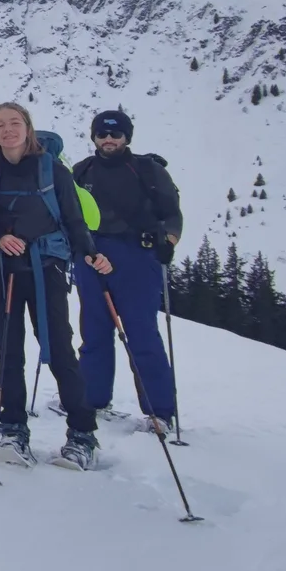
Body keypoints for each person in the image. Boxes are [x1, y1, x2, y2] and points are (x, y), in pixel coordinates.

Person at [0, 102, 113, 471]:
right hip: (3, 272)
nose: (7, 130)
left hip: (46, 270)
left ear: (28, 128)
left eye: (14, 123)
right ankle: (12, 429)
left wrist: (91, 254)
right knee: (8, 352)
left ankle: (82, 433)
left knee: (60, 350)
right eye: (0, 125)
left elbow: (73, 219)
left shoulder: (54, 172)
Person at [72, 108, 183, 429]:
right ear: (94, 136)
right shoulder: (82, 172)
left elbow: (172, 213)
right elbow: (70, 213)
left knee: (141, 332)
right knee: (94, 331)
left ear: (126, 138)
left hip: (137, 256)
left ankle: (159, 412)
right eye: (102, 134)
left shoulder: (148, 171)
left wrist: (169, 240)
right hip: (91, 255)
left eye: (115, 134)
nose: (108, 140)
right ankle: (92, 400)